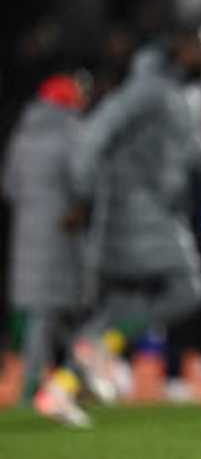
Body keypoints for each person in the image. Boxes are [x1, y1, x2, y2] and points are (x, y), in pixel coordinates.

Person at [69, 24, 201, 404]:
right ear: (181, 49)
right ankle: (98, 346)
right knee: (186, 290)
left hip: (164, 211)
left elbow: (197, 156)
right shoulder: (146, 89)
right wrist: (84, 195)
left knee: (134, 298)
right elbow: (94, 135)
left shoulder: (187, 96)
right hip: (132, 209)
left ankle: (79, 366)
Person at [2, 72, 92, 426]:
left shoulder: (23, 135)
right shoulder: (73, 133)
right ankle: (34, 389)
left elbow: (9, 187)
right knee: (59, 314)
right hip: (63, 233)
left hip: (27, 234)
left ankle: (72, 381)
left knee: (45, 314)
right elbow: (85, 181)